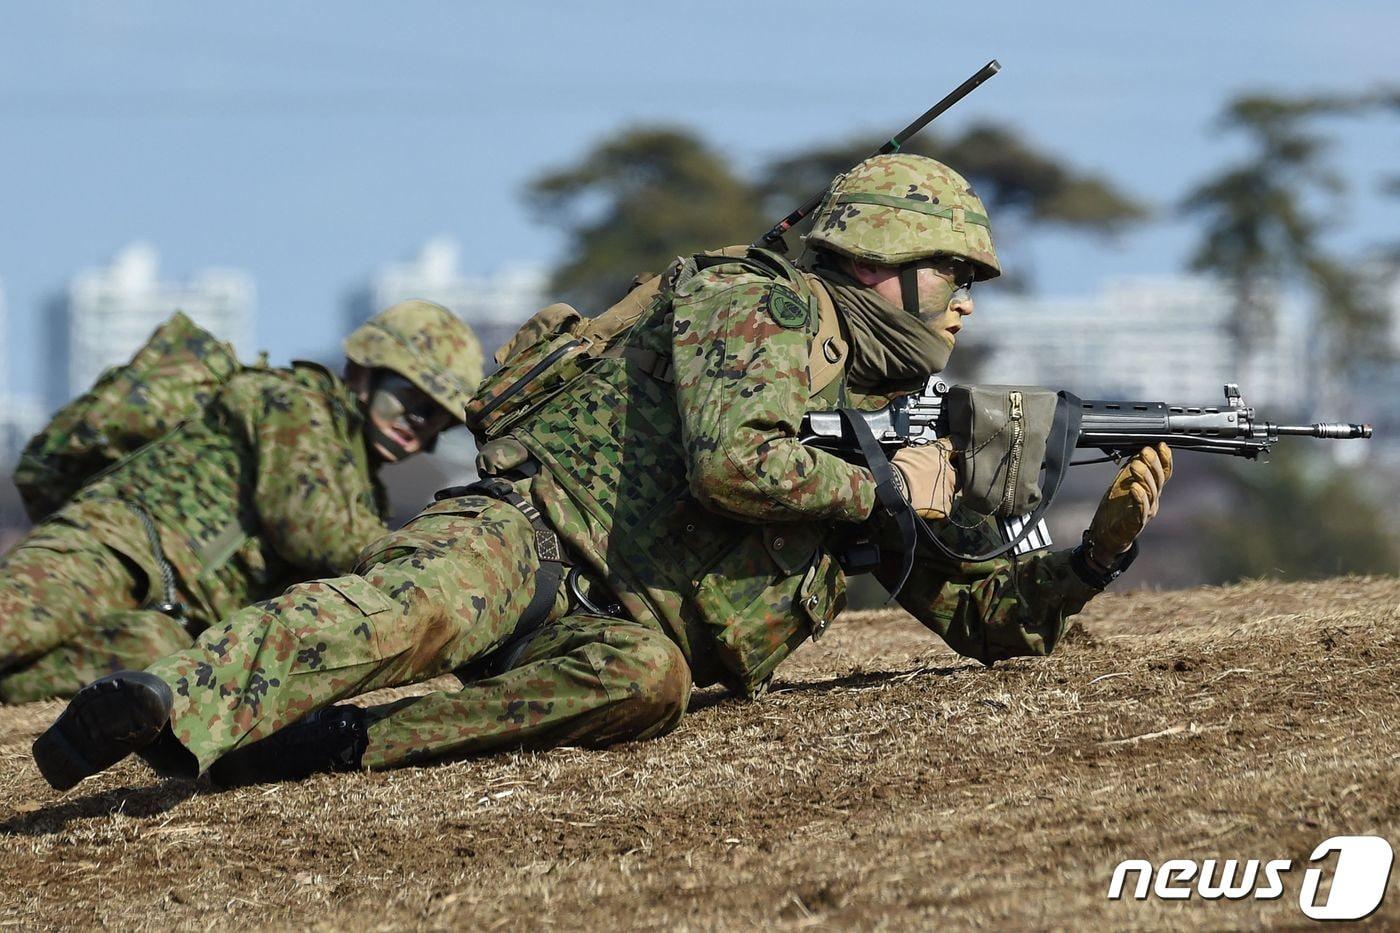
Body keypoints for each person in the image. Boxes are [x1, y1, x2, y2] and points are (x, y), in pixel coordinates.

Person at [32, 154, 1171, 791]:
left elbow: (983, 622)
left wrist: (1094, 555)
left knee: (649, 687)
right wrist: (887, 490)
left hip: (618, 629)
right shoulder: (759, 305)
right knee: (405, 609)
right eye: (950, 269)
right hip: (526, 538)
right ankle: (174, 702)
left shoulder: (888, 414)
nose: (968, 297)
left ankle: (319, 749)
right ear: (878, 263)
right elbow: (732, 462)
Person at [0, 300, 482, 703]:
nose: (417, 422)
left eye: (435, 416)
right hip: (107, 551)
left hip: (167, 626)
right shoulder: (293, 403)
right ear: (363, 372)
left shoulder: (359, 486)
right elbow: (311, 527)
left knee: (138, 669)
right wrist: (427, 566)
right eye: (408, 398)